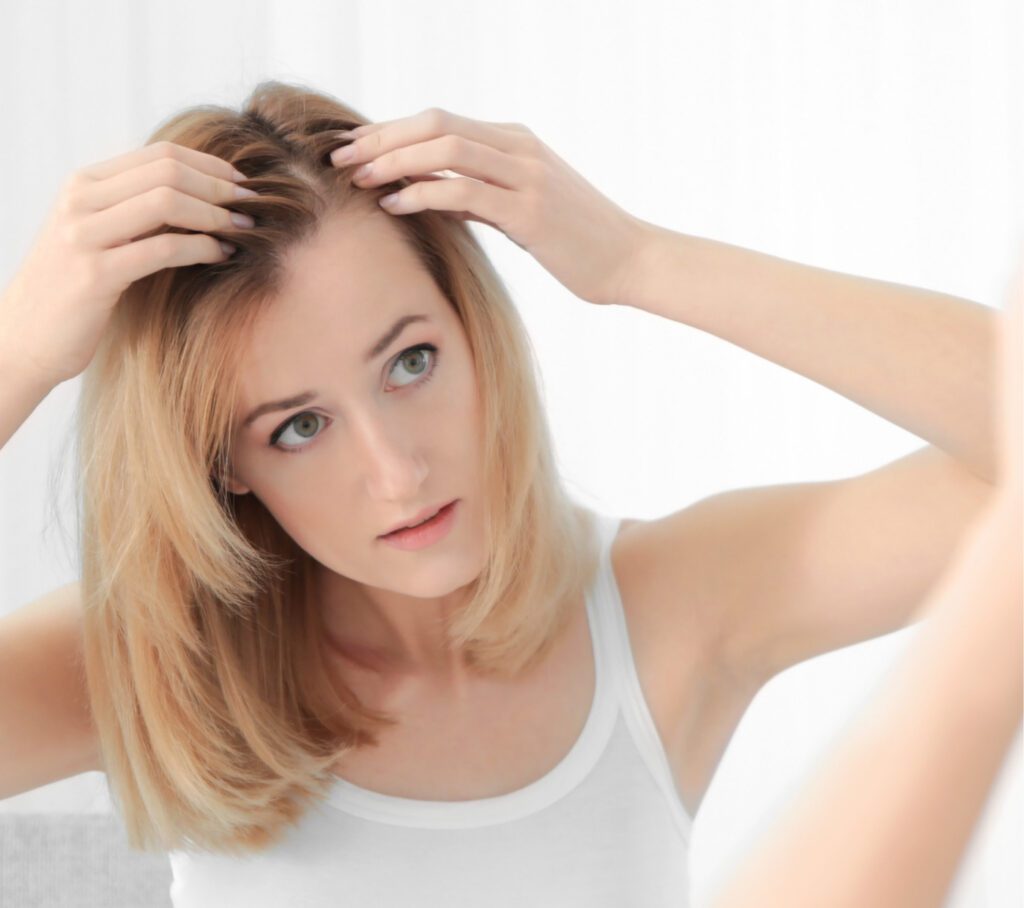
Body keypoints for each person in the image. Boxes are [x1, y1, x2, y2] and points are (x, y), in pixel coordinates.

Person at [0, 78, 1017, 906]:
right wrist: (19, 352)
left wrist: (639, 259)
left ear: (475, 332)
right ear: (226, 464)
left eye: (411, 361)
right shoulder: (154, 663)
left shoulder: (664, 610)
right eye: (299, 426)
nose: (398, 471)